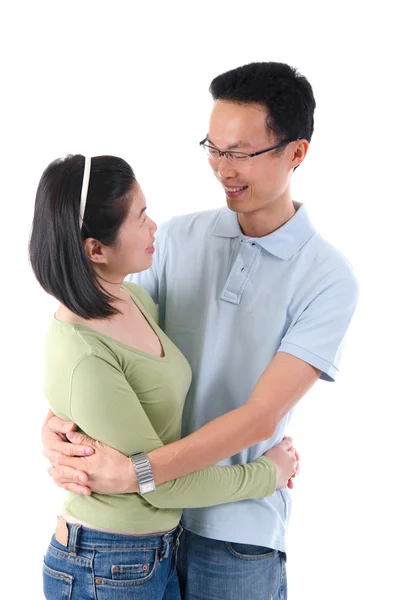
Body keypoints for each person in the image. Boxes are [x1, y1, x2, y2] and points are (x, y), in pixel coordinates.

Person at [42, 62, 359, 600]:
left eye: (240, 153)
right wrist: (58, 425)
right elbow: (110, 349)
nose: (222, 167)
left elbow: (259, 415)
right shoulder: (173, 239)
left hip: (237, 531)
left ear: (296, 153)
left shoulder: (328, 278)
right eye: (213, 148)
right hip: (138, 533)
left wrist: (138, 472)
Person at [31, 153, 299, 599]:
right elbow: (161, 483)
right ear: (95, 249)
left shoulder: (135, 298)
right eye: (139, 218)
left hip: (150, 554)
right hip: (104, 565)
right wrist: (266, 475)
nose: (154, 226)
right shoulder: (82, 352)